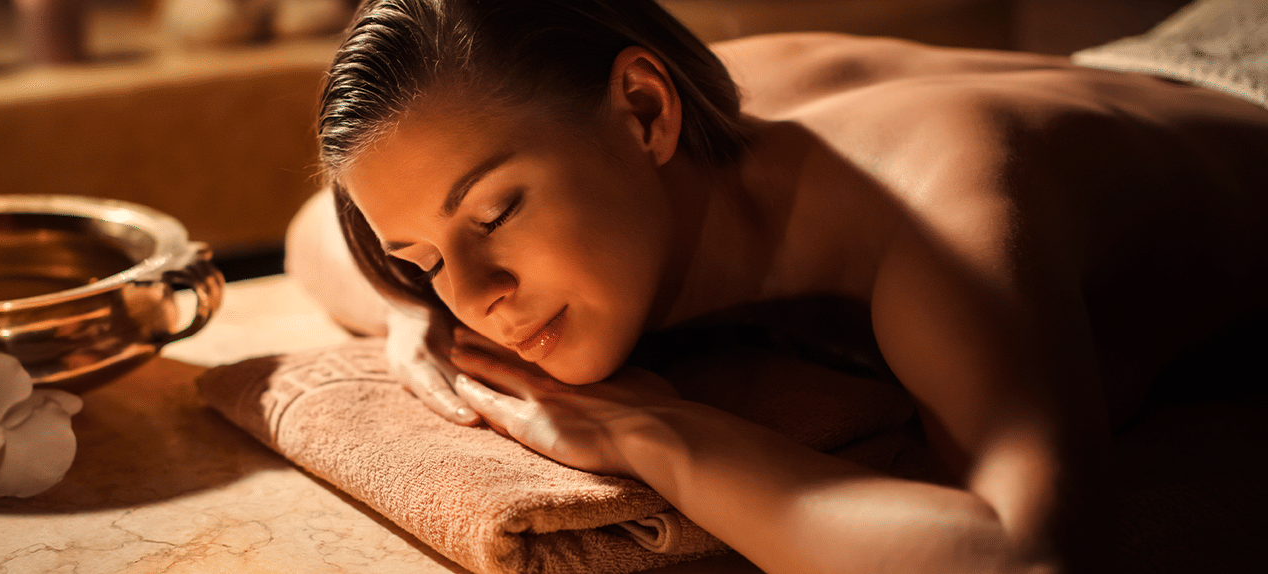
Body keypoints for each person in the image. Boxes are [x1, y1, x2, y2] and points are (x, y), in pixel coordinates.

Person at [288, 0, 1268, 572]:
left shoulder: (936, 208)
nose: (475, 294)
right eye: (420, 256)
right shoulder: (654, 115)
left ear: (642, 112)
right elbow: (306, 236)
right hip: (1156, 56)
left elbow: (1025, 554)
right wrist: (405, 307)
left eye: (495, 216)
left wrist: (649, 432)